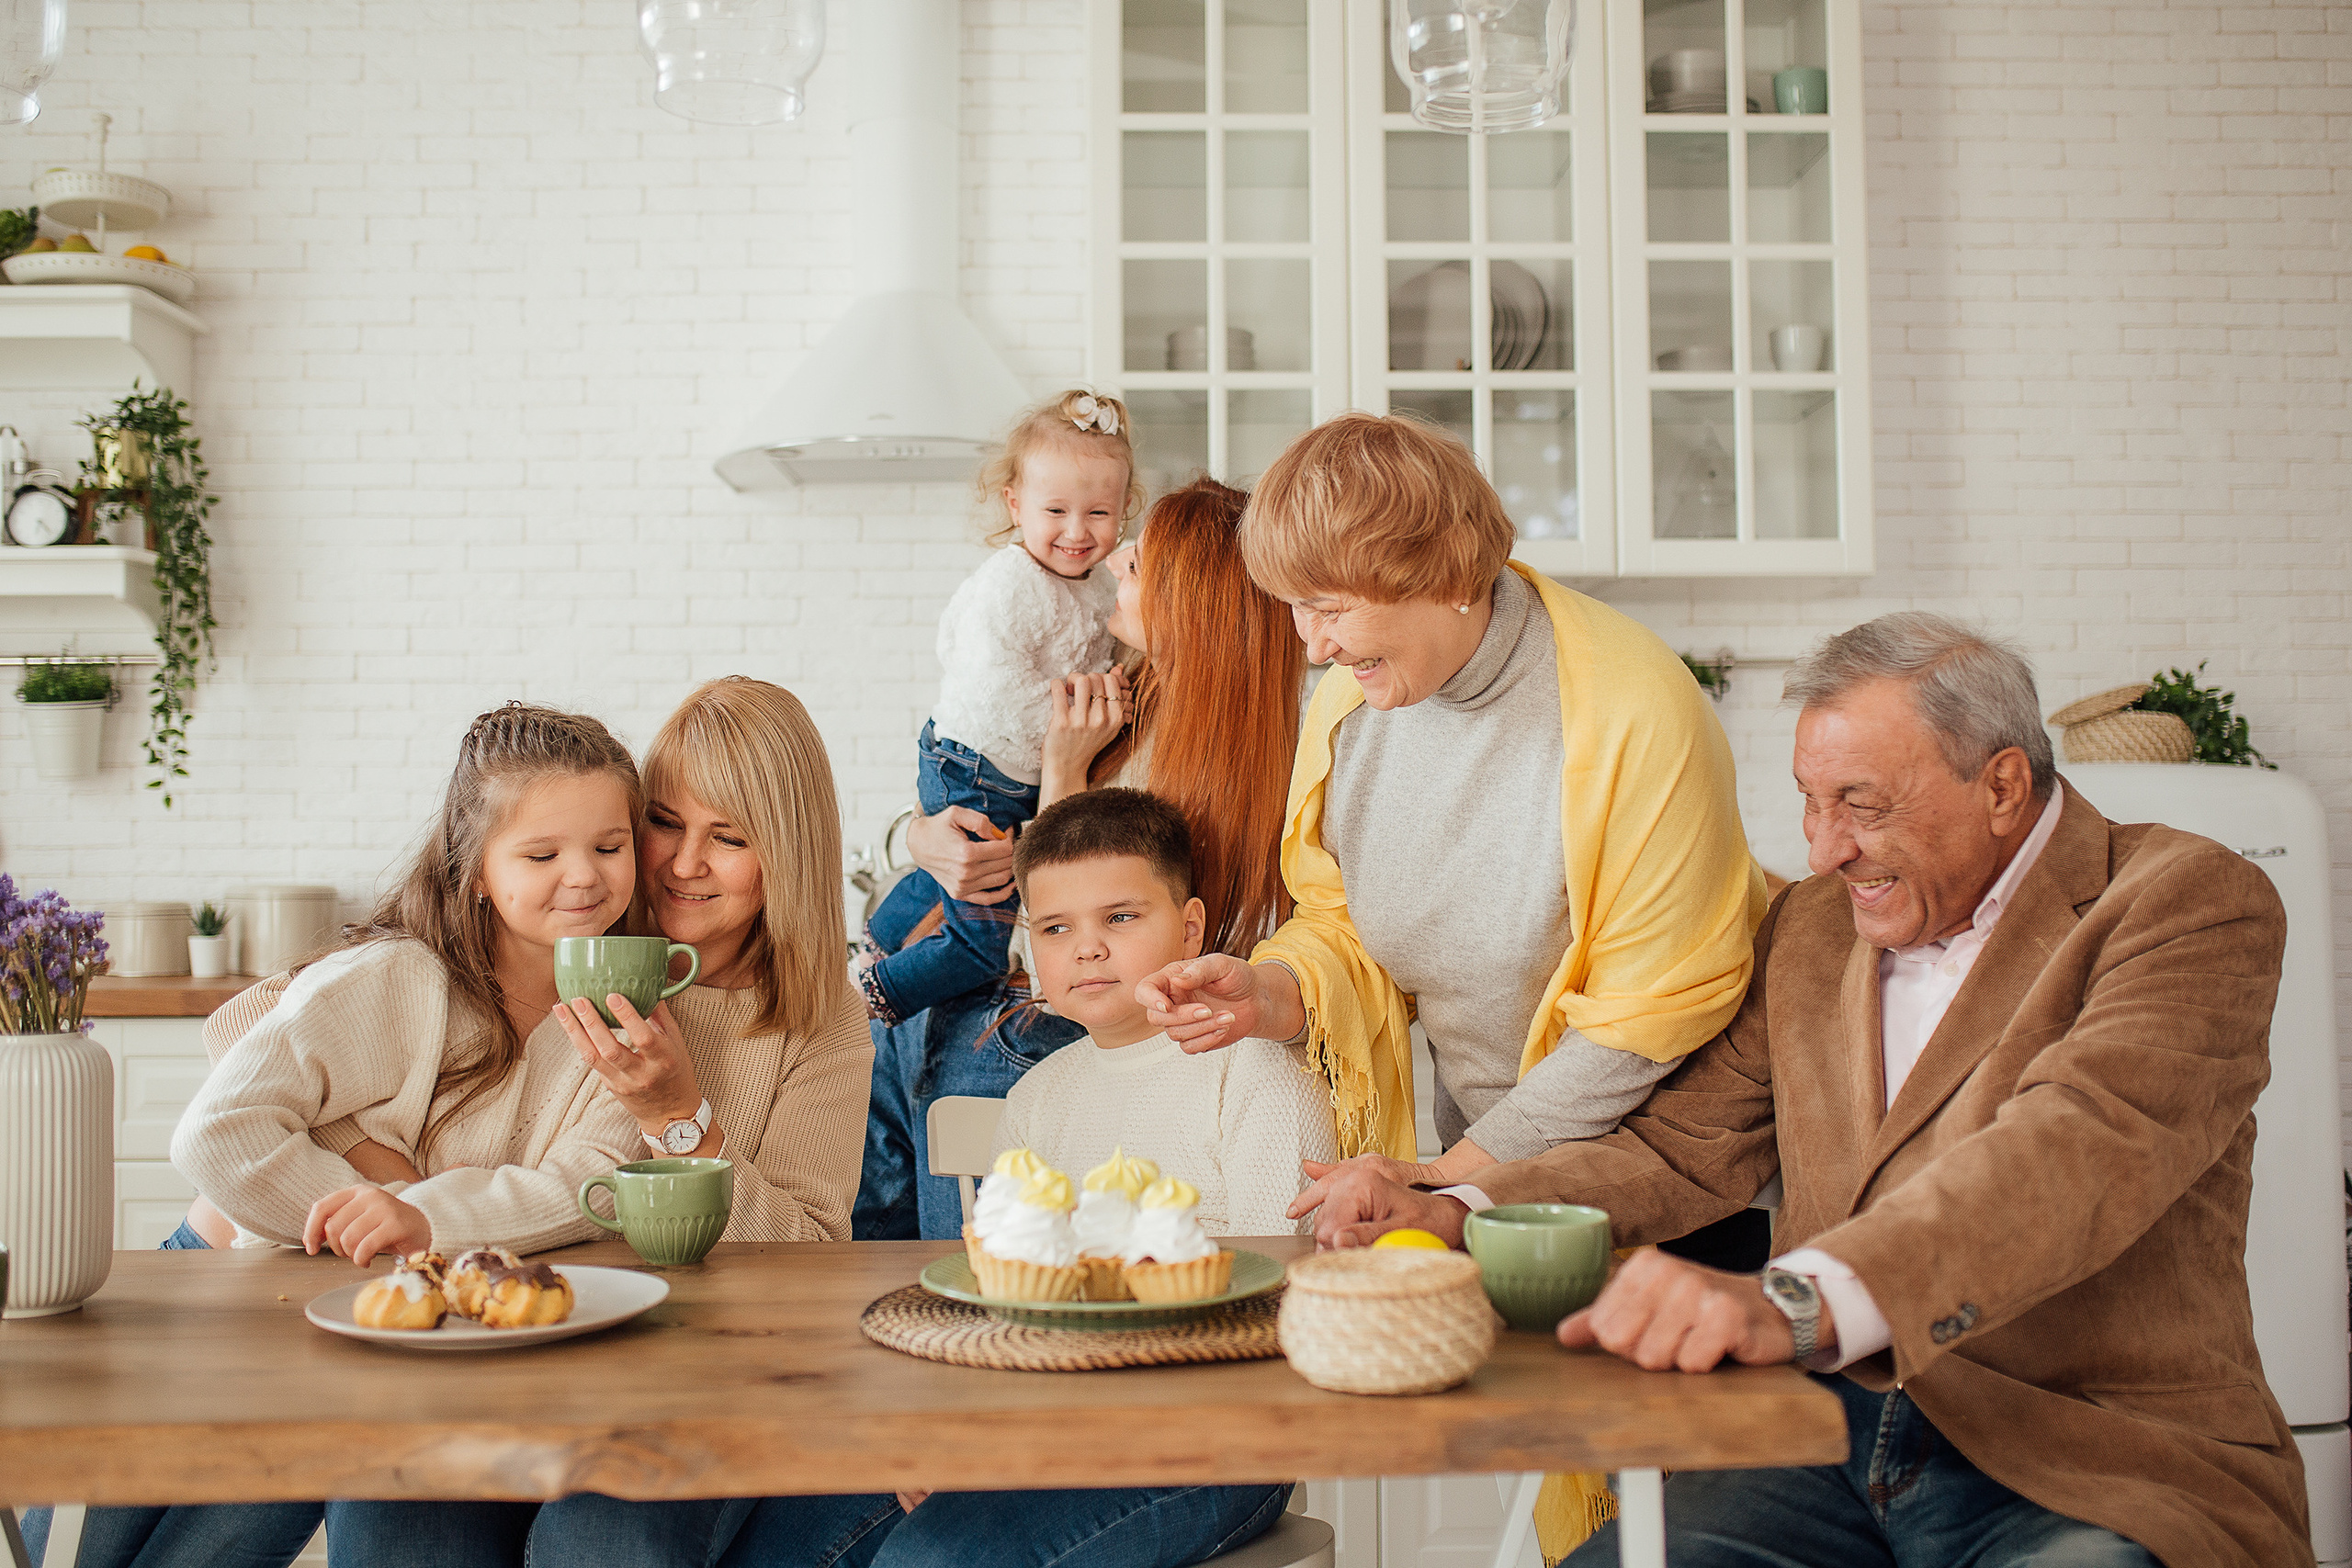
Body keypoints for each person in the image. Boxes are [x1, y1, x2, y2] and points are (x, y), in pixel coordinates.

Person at [1296, 613, 2312, 1568]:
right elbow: (1679, 1148)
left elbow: (2077, 1148)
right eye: (1810, 803)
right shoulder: (1812, 928)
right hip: (1819, 1436)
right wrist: (1455, 1205)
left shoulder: (2185, 902)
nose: (1823, 850)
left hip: (2092, 1458)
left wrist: (1792, 1303)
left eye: (1862, 806)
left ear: (2001, 786)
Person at [20, 703, 650, 1568]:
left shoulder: (625, 1017)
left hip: (356, 1324)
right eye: (541, 854)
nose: (582, 876)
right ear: (475, 870)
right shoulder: (400, 976)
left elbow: (596, 1180)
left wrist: (425, 1224)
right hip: (225, 1296)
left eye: (608, 846)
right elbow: (218, 1131)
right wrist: (372, 1207)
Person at [1138, 413, 1764, 1235]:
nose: (1314, 643)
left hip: (1666, 1181)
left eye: (1331, 607)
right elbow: (1347, 926)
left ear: (1437, 572)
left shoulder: (1632, 709)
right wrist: (1266, 990)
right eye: (1296, 607)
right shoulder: (1353, 706)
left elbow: (1649, 1014)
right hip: (1487, 1177)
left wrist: (1444, 1180)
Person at [717, 788, 1319, 1568]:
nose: (1088, 949)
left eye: (1122, 917)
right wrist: (957, 1430)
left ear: (1192, 926)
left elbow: (1275, 1300)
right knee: (779, 1537)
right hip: (1048, 1418)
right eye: (1057, 928)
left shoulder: (1255, 1068)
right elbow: (1008, 1307)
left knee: (928, 1561)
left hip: (1221, 1438)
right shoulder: (1038, 1094)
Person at [854, 476, 1302, 1241]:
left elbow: (1064, 898)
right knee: (878, 1241)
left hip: (1029, 1019)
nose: (1118, 554)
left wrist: (1064, 770)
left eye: (1142, 562)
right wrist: (919, 832)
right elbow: (989, 779)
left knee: (974, 1272)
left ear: (1191, 602)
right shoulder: (1132, 687)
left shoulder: (1205, 759)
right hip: (982, 994)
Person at [854, 389, 1141, 1028]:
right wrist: (1072, 723)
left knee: (953, 879)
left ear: (1126, 508)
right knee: (979, 939)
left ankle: (876, 937)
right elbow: (988, 681)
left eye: (1099, 512)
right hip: (976, 762)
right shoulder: (1010, 583)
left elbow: (1097, 665)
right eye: (1056, 510)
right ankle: (867, 999)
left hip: (1004, 769)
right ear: (1015, 503)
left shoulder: (1098, 587)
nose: (1076, 531)